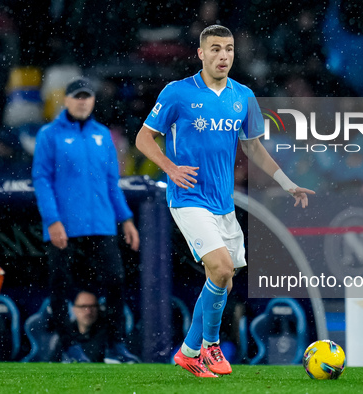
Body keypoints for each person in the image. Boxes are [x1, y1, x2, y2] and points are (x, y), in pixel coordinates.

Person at [135, 25, 314, 378]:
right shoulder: (178, 93)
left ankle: (187, 351)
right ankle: (210, 347)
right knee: (220, 268)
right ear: (201, 54)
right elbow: (143, 137)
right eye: (215, 49)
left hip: (223, 203)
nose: (223, 55)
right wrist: (170, 168)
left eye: (229, 49)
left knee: (223, 281)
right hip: (188, 198)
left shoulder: (243, 96)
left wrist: (287, 183)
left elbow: (253, 148)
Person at [32, 77, 141, 364]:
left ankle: (117, 346)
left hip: (101, 223)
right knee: (60, 283)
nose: (82, 101)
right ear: (66, 100)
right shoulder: (49, 134)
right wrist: (53, 221)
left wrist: (126, 219)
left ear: (93, 101)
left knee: (115, 280)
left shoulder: (102, 134)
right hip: (64, 225)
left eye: (87, 97)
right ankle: (69, 346)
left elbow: (111, 182)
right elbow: (41, 180)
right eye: (77, 96)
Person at [61, 291, 109, 363]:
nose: (88, 311)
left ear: (98, 308)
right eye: (83, 306)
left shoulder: (108, 335)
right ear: (74, 309)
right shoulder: (63, 335)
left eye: (92, 306)